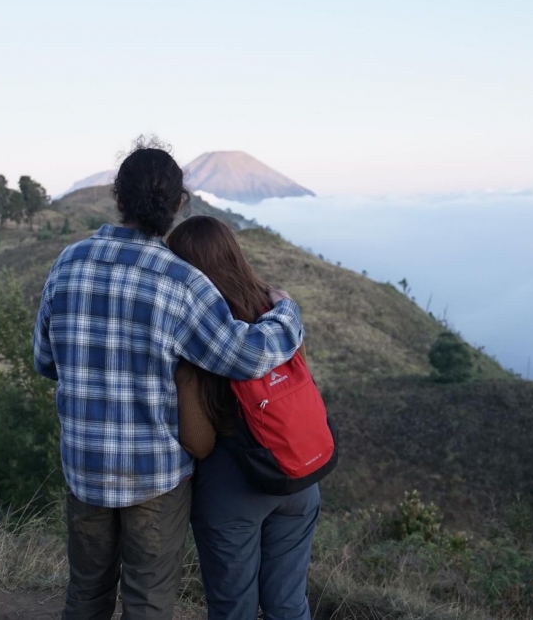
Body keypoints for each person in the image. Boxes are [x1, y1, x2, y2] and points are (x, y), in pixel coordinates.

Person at [33, 140, 305, 620]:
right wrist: (286, 314)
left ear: (117, 197)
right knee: (149, 602)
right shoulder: (183, 283)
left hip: (85, 469)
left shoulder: (66, 265)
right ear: (179, 204)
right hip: (155, 480)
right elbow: (245, 357)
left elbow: (45, 361)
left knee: (85, 595)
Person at [166, 216, 320, 620]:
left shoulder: (202, 332)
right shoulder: (276, 314)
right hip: (297, 477)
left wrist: (183, 381)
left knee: (232, 608)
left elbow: (199, 442)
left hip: (233, 489)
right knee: (289, 604)